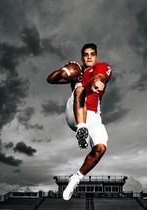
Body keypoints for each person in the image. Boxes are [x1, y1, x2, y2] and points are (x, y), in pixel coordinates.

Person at [46, 43, 112, 200]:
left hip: (94, 116)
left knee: (100, 149)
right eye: (86, 54)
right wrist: (65, 71)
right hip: (75, 113)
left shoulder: (101, 67)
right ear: (82, 57)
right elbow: (50, 80)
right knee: (80, 89)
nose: (89, 56)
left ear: (96, 56)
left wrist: (98, 83)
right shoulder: (77, 72)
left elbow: (100, 77)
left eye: (92, 54)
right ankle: (82, 129)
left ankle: (76, 178)